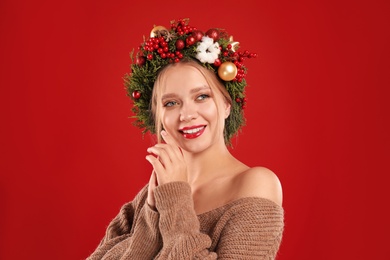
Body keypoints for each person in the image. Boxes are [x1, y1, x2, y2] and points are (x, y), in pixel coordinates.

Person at [87, 18, 284, 259]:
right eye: (171, 103)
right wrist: (152, 215)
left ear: (225, 105)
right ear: (159, 118)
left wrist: (174, 200)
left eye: (201, 97)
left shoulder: (255, 184)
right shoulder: (149, 197)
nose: (187, 114)